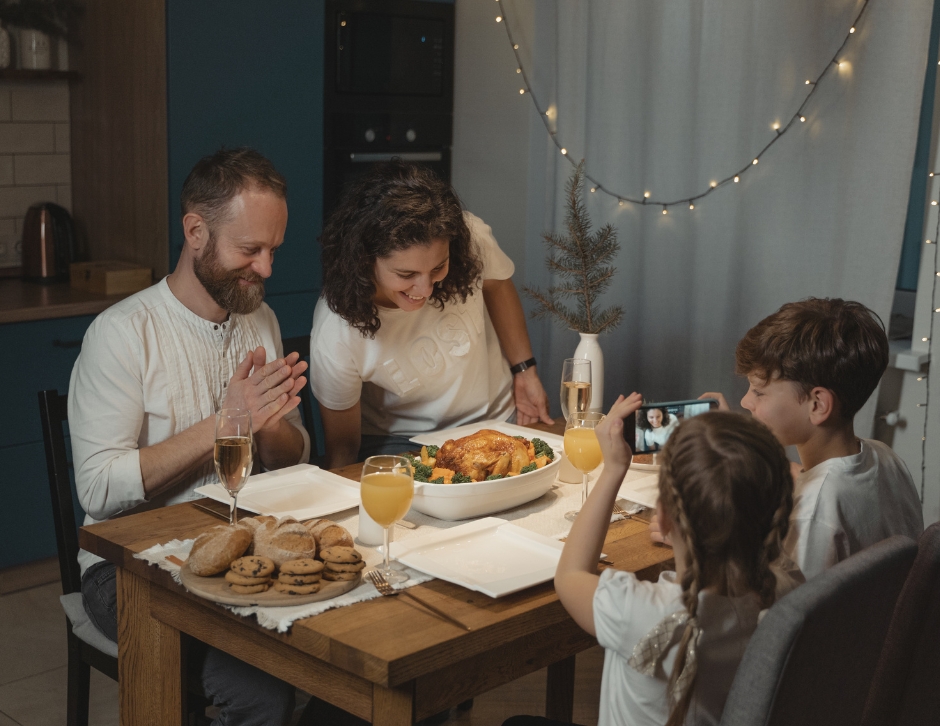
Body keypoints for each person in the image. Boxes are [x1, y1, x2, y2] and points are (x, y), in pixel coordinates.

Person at [69, 147, 310, 725]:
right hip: (127, 566)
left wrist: (272, 427)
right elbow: (100, 492)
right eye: (250, 250)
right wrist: (226, 424)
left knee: (351, 652)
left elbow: (294, 455)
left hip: (241, 543)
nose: (267, 269)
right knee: (260, 691)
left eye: (273, 249)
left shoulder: (261, 319)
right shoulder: (122, 334)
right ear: (195, 231)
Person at [504, 396, 797, 726]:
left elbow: (570, 575)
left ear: (666, 518)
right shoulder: (786, 591)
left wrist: (613, 469)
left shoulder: (642, 612)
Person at [310, 161, 552, 468]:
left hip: (497, 419)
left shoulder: (471, 237)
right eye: (406, 273)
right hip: (405, 442)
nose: (424, 289)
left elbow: (497, 286)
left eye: (438, 268)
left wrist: (525, 370)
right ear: (364, 260)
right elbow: (342, 450)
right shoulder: (337, 329)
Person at [690, 297, 924, 579]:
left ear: (817, 405)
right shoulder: (885, 456)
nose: (744, 401)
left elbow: (786, 615)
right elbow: (819, 478)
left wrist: (700, 544)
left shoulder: (813, 513)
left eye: (758, 392)